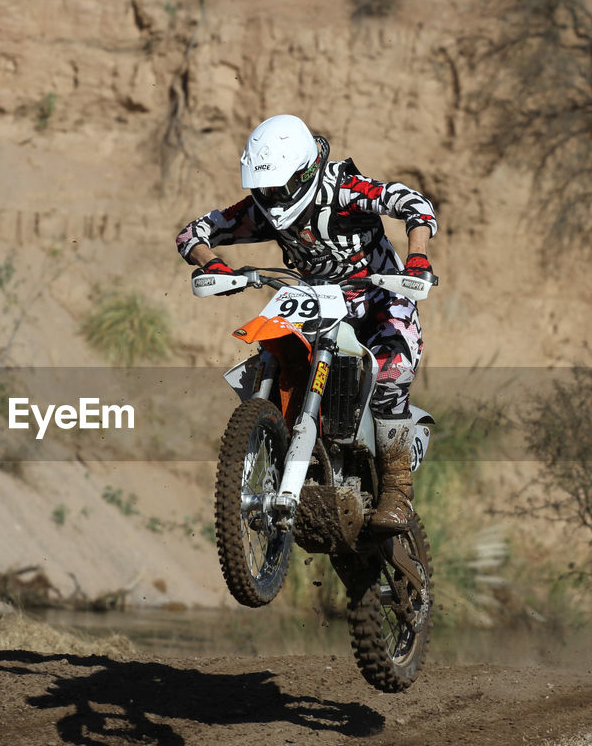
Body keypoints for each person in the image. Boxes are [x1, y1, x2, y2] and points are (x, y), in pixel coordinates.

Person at [175, 113, 438, 533]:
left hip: (379, 297)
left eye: (279, 186)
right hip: (314, 300)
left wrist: (418, 257)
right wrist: (215, 264)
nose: (272, 196)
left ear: (306, 171)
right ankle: (276, 440)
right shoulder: (263, 207)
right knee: (271, 353)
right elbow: (193, 233)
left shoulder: (344, 188)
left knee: (392, 372)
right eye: (264, 187)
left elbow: (413, 204)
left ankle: (396, 492)